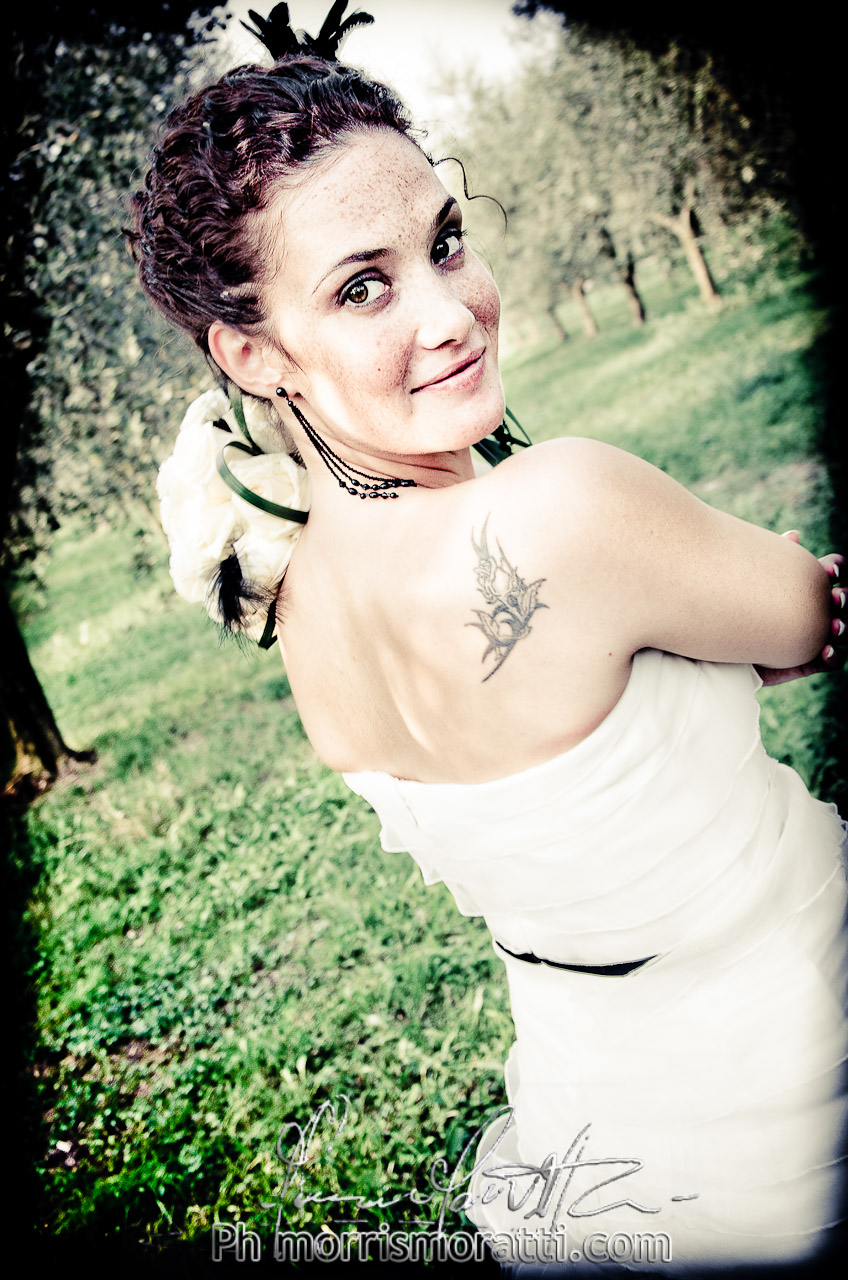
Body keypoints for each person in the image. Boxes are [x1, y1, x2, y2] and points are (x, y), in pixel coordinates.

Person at [130, 5, 847, 1270]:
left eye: (444, 242)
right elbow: (805, 612)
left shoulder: (295, 609)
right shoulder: (559, 506)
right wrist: (721, 631)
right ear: (251, 351)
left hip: (596, 1099)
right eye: (362, 287)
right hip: (797, 1028)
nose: (450, 311)